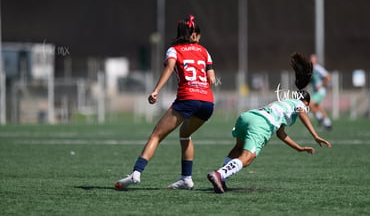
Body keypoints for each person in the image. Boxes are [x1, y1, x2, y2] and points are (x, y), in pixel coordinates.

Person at [115, 15, 216, 190]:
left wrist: (155, 91)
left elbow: (169, 68)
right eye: (199, 35)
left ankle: (136, 173)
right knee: (185, 135)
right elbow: (212, 80)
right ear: (194, 35)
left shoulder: (174, 50)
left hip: (187, 99)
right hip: (207, 103)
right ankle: (186, 179)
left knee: (156, 135)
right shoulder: (204, 51)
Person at [207, 53, 331, 194]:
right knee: (248, 158)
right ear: (306, 102)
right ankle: (220, 174)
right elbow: (302, 112)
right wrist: (315, 135)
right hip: (261, 124)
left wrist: (298, 148)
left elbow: (281, 133)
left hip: (247, 117)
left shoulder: (286, 103)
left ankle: (222, 179)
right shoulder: (299, 104)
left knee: (238, 148)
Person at [309, 54, 332, 130]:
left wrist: (321, 85)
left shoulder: (318, 68)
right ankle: (328, 123)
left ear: (316, 60)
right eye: (310, 59)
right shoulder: (311, 69)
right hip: (315, 92)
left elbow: (328, 77)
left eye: (313, 59)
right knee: (319, 107)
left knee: (310, 104)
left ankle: (320, 119)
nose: (311, 60)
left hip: (320, 91)